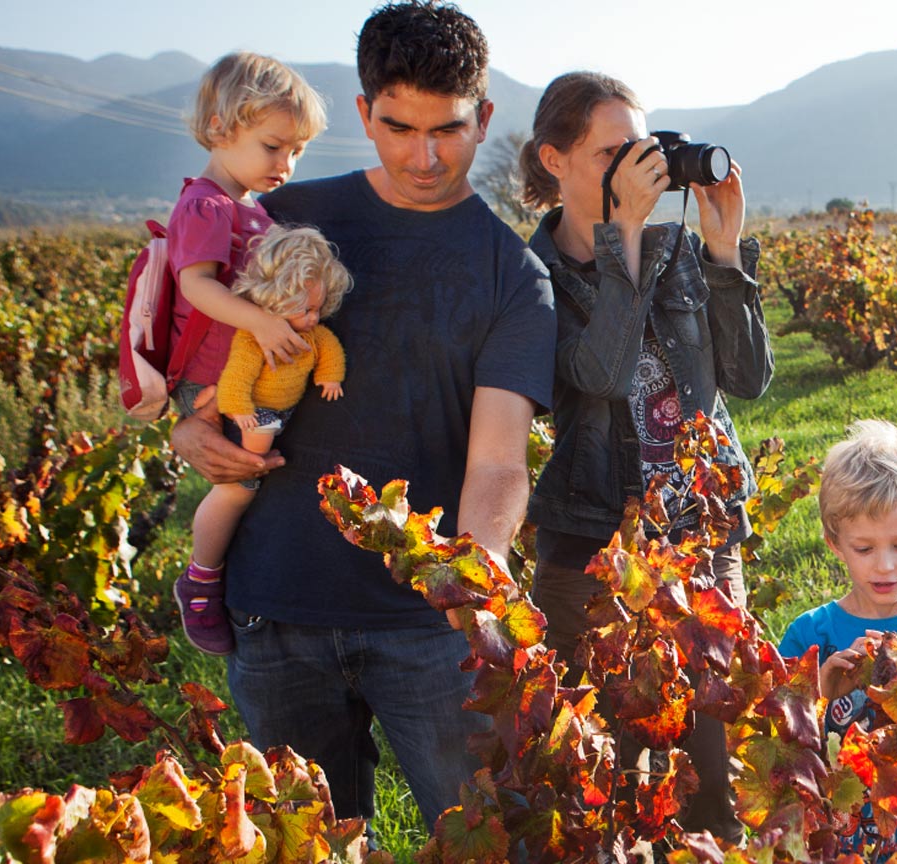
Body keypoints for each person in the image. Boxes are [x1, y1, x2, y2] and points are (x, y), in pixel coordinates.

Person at [168, 1, 555, 831]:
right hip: (275, 609)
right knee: (307, 849)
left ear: (484, 119)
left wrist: (475, 580)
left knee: (484, 845)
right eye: (398, 126)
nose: (424, 156)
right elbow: (199, 344)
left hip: (426, 628)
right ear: (362, 113)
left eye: (448, 130)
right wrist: (184, 423)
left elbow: (496, 463)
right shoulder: (280, 218)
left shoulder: (511, 276)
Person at [518, 70, 773, 842]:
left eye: (641, 149)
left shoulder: (679, 250)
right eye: (610, 152)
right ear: (553, 159)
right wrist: (620, 235)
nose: (637, 170)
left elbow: (751, 378)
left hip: (700, 527)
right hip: (592, 541)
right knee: (601, 761)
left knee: (712, 754)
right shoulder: (534, 278)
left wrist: (726, 256)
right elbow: (601, 375)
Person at [162, 51, 330, 656]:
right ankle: (200, 580)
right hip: (214, 380)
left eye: (297, 152)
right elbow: (196, 286)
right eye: (273, 147)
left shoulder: (249, 211)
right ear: (218, 128)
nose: (286, 165)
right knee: (239, 484)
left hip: (242, 373)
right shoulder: (206, 205)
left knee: (255, 479)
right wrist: (262, 323)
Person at [777, 419, 897, 863]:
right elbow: (777, 739)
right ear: (835, 544)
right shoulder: (810, 635)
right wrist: (820, 689)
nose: (884, 566)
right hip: (834, 840)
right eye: (864, 549)